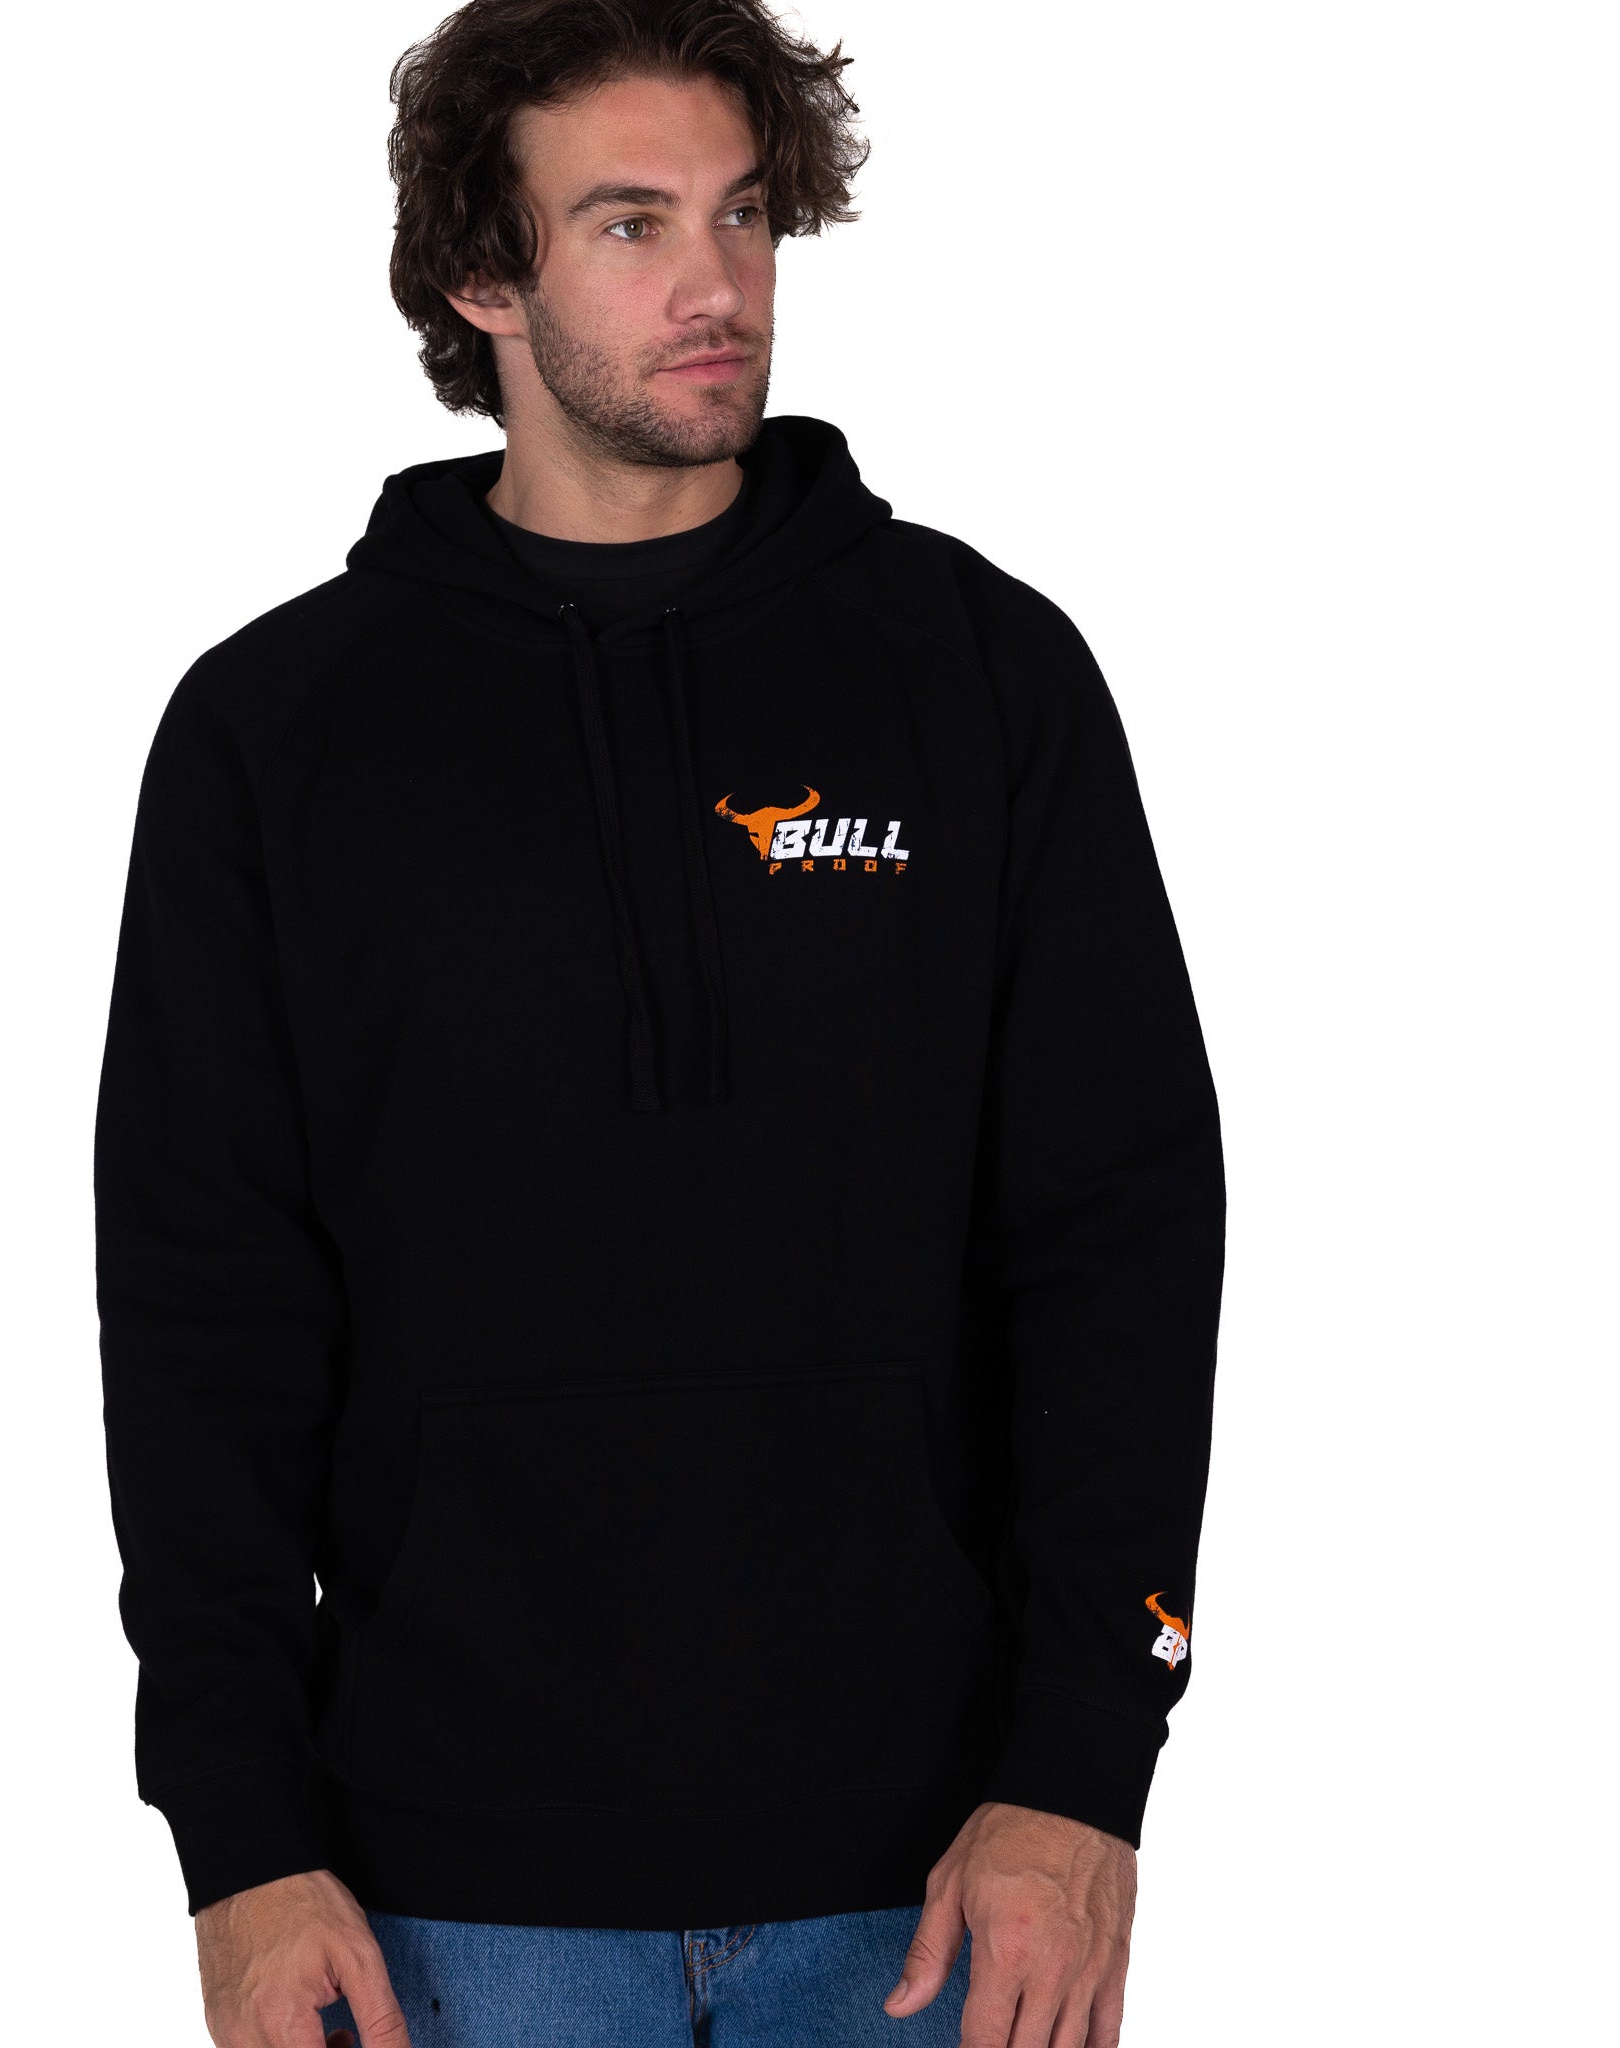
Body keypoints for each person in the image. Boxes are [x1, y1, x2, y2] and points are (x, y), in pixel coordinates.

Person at [92, 2, 1227, 2043]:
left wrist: (1082, 1769)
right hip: (438, 1902)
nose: (718, 285)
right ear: (481, 273)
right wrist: (240, 1840)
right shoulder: (276, 734)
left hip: (934, 1892)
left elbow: (1123, 1241)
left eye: (743, 214)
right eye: (630, 225)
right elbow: (201, 1310)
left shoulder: (983, 675)